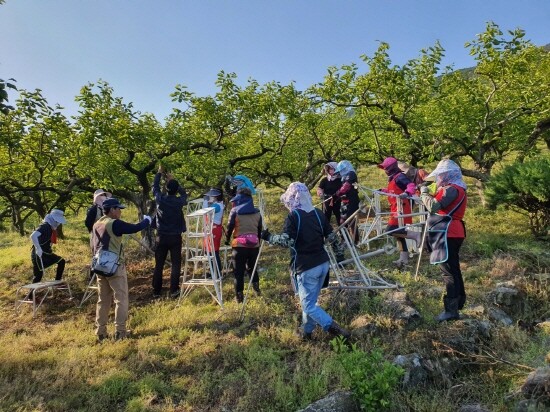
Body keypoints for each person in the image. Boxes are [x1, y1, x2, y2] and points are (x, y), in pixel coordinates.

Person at [260, 182, 350, 341]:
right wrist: (340, 256)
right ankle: (307, 333)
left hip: (306, 267)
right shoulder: (318, 213)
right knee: (310, 303)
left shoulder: (294, 217)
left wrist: (268, 237)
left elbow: (286, 241)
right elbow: (332, 238)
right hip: (323, 264)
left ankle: (335, 329)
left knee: (308, 305)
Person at [92, 197, 151, 341]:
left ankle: (101, 332)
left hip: (99, 266)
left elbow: (93, 246)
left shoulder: (97, 224)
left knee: (103, 299)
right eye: (118, 209)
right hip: (115, 267)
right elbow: (134, 228)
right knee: (121, 299)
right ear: (112, 210)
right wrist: (147, 221)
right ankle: (120, 331)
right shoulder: (114, 224)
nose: (120, 212)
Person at [420, 159, 467, 322]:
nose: (439, 177)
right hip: (452, 231)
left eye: (441, 174)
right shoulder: (456, 188)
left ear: (447, 175)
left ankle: (451, 310)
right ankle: (459, 301)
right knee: (453, 269)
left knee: (448, 271)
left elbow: (433, 206)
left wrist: (424, 193)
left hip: (447, 232)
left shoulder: (452, 189)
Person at [152, 165, 188, 298]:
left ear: (166, 189)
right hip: (175, 237)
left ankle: (156, 290)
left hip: (161, 236)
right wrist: (173, 181)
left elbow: (154, 188)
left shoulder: (160, 200)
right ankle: (174, 290)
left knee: (159, 264)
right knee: (176, 264)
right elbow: (184, 194)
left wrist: (159, 174)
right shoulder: (179, 201)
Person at [378, 157, 421, 267]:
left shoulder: (400, 177)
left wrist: (407, 193)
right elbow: (394, 191)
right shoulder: (393, 178)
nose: (385, 171)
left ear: (391, 168)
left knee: (390, 230)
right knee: (399, 235)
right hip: (395, 208)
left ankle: (416, 235)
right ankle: (404, 259)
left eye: (386, 168)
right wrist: (383, 191)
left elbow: (411, 186)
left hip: (401, 208)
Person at [225, 187, 262, 303]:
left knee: (239, 272)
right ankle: (257, 291)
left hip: (239, 246)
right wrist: (258, 242)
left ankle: (239, 297)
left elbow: (230, 227)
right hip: (254, 245)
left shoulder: (235, 211)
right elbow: (259, 230)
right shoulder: (257, 212)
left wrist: (227, 239)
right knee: (252, 268)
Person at [30, 209, 67, 283]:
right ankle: (31, 294)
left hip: (46, 252)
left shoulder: (51, 228)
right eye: (57, 221)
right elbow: (33, 236)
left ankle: (57, 282)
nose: (58, 223)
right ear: (53, 219)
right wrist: (38, 248)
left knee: (61, 261)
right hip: (38, 254)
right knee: (38, 276)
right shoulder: (45, 226)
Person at [333, 160, 360, 243]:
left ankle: (355, 241)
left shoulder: (351, 174)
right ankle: (345, 240)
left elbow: (346, 187)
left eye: (342, 170)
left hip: (352, 200)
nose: (341, 172)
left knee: (351, 221)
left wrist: (337, 193)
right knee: (342, 222)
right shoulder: (343, 177)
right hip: (344, 201)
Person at [202, 188, 225, 275]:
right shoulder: (217, 204)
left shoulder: (218, 206)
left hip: (214, 230)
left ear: (216, 196)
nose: (209, 197)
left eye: (211, 195)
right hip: (212, 229)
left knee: (214, 252)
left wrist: (205, 202)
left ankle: (217, 273)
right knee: (210, 252)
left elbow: (205, 211)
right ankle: (214, 272)